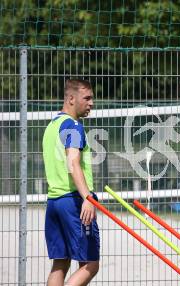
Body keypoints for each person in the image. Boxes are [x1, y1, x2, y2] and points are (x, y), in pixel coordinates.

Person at [42, 79, 99, 285]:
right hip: (73, 202)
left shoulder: (51, 126)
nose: (91, 103)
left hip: (54, 203)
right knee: (90, 264)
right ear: (71, 99)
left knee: (61, 263)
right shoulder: (73, 126)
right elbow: (73, 162)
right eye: (87, 98)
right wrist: (88, 197)